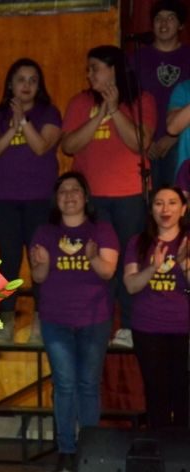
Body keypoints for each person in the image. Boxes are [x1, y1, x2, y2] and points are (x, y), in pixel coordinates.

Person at [62, 45, 156, 349]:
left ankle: (128, 326)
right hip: (92, 199)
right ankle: (95, 325)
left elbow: (139, 144)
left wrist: (115, 110)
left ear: (113, 69)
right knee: (95, 262)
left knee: (130, 261)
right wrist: (99, 113)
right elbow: (70, 146)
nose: (89, 74)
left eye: (95, 68)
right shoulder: (80, 102)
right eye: (88, 69)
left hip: (129, 195)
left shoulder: (141, 100)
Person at [30, 172, 119, 472]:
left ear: (85, 196)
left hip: (94, 319)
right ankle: (66, 448)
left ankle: (90, 450)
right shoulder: (45, 232)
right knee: (65, 385)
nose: (69, 196)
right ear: (56, 200)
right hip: (56, 319)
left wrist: (92, 257)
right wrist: (41, 264)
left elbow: (107, 272)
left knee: (88, 385)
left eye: (75, 190)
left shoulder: (102, 230)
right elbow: (39, 278)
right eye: (63, 191)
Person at [0, 57, 62, 344]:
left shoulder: (48, 113)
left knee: (40, 261)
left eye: (32, 80)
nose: (26, 85)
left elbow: (41, 146)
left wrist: (23, 122)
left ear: (39, 86)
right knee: (9, 262)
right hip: (3, 201)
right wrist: (12, 128)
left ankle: (42, 325)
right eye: (21, 80)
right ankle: (4, 324)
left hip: (40, 200)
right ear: (10, 84)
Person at [123, 186, 190, 429]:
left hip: (183, 328)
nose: (165, 209)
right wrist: (152, 268)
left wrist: (183, 265)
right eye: (159, 203)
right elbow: (130, 285)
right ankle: (160, 451)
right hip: (148, 328)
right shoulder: (138, 242)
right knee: (156, 392)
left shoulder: (187, 242)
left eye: (172, 203)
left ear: (183, 209)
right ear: (151, 210)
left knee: (183, 392)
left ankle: (182, 456)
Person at [129, 0, 190, 189]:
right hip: (144, 143)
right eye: (158, 19)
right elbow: (128, 101)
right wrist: (146, 140)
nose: (163, 24)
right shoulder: (136, 57)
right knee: (149, 205)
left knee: (176, 200)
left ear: (181, 25)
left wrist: (172, 138)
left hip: (181, 141)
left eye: (170, 18)